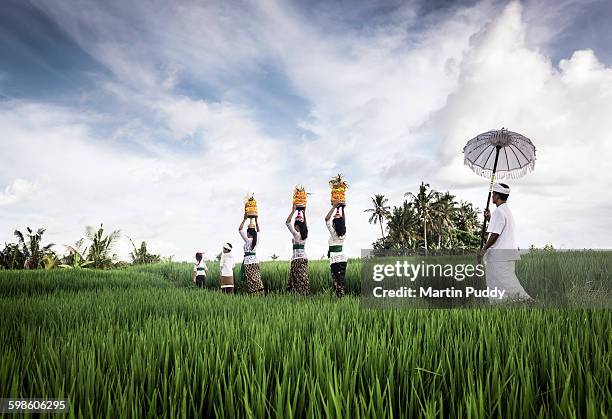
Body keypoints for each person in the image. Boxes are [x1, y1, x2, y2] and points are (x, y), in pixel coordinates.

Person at [479, 183, 532, 303]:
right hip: (506, 254)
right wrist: (490, 219)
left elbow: (495, 234)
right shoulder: (506, 211)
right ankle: (508, 306)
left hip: (499, 256)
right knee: (503, 283)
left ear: (497, 196)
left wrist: (484, 249)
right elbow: (499, 228)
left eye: (493, 194)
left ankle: (528, 301)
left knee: (506, 283)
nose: (492, 196)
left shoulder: (499, 212)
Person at [286, 204, 310, 294]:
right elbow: (305, 226)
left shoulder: (296, 234)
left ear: (296, 226)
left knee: (296, 279)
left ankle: (297, 295)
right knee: (303, 278)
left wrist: (293, 211)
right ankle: (305, 294)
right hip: (304, 259)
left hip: (296, 260)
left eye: (295, 225)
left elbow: (287, 223)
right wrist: (304, 213)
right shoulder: (305, 235)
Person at [325, 203, 348, 297]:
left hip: (335, 261)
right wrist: (342, 209)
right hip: (342, 260)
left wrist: (334, 207)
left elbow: (326, 219)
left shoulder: (334, 234)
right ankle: (340, 299)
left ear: (334, 224)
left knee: (337, 282)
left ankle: (340, 299)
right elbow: (344, 222)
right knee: (340, 281)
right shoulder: (343, 233)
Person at [239, 215, 265, 295]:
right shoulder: (256, 240)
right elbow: (259, 231)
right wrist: (256, 221)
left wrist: (244, 219)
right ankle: (261, 293)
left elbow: (240, 229)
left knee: (250, 280)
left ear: (248, 233)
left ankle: (253, 295)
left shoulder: (247, 240)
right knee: (257, 278)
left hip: (248, 262)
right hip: (255, 261)